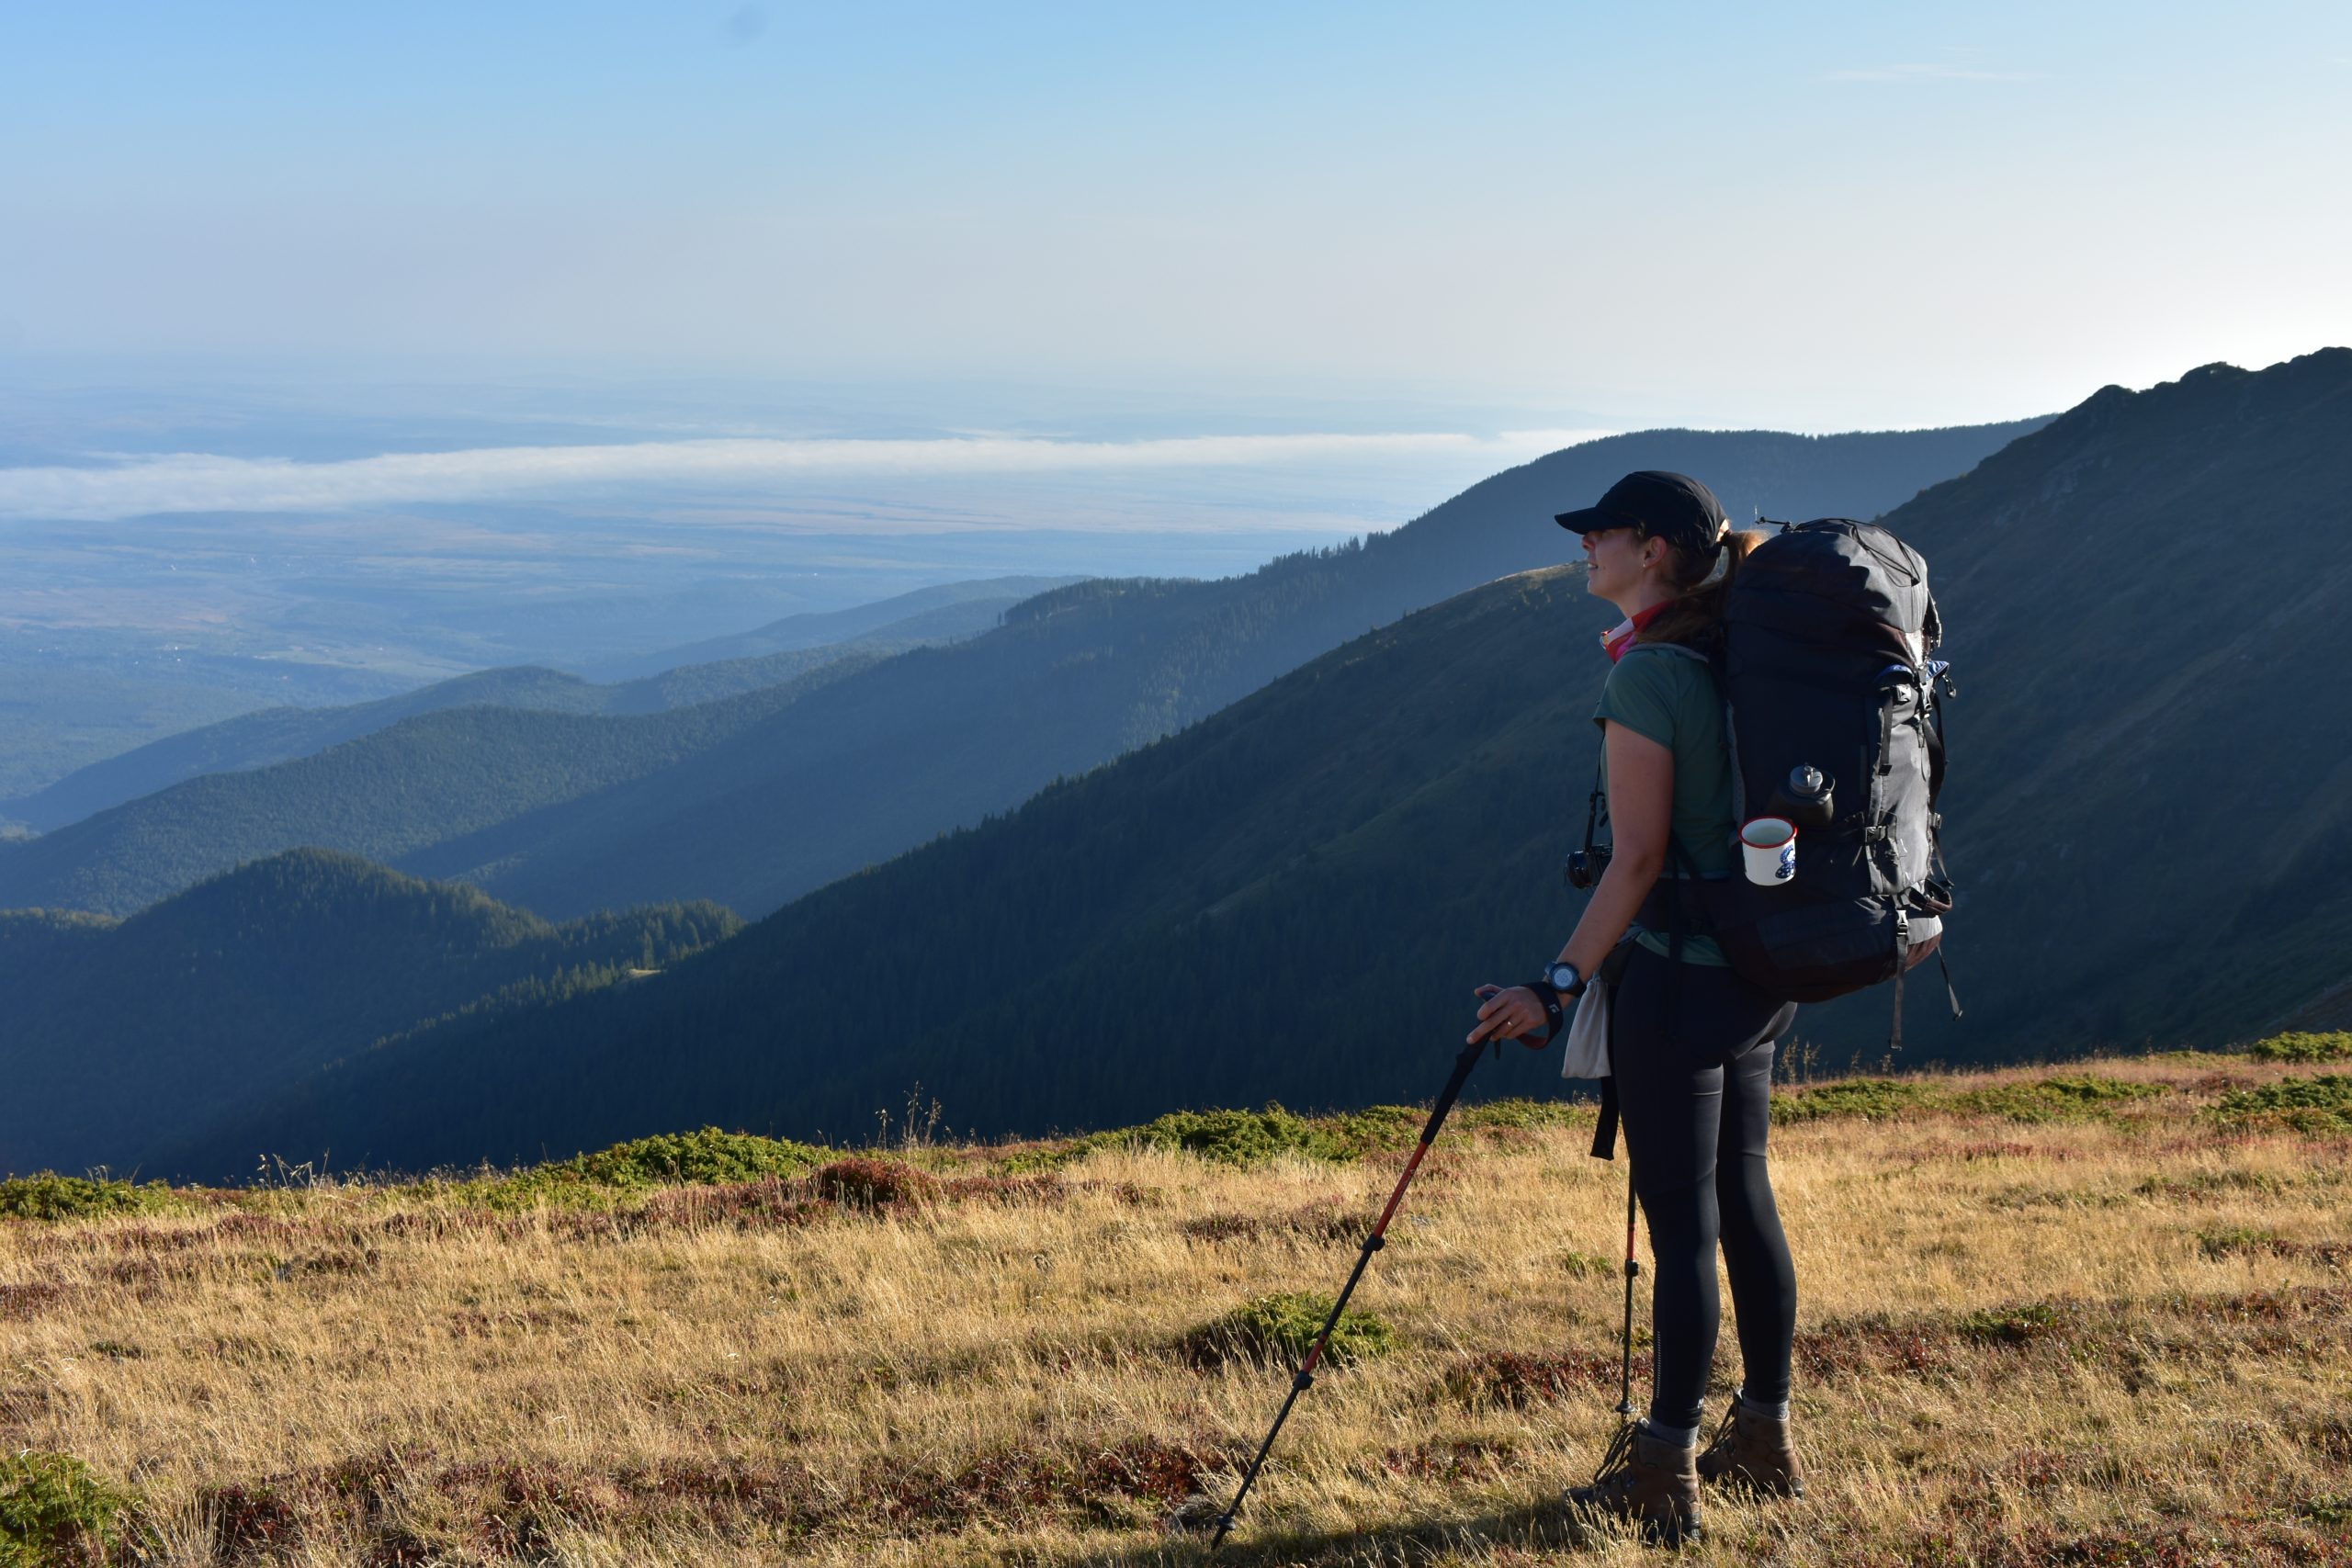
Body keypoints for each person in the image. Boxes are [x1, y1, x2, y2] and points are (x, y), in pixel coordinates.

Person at [1467, 470, 1803, 1546]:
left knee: (1682, 1229)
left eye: (1598, 535)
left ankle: (1662, 1475)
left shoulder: (1652, 676)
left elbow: (1638, 858)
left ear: (1652, 550)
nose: (1583, 550)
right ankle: (1760, 1438)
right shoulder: (1727, 648)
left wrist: (1554, 986)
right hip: (1755, 970)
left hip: (1674, 979)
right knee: (1743, 1199)